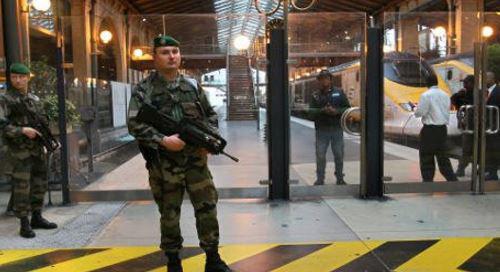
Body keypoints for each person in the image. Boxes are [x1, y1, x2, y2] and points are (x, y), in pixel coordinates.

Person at [127, 36, 232, 272]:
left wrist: (209, 140)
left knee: (207, 208)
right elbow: (134, 124)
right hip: (164, 165)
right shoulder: (143, 89)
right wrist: (163, 140)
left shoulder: (193, 86)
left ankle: (213, 259)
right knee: (169, 213)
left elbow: (210, 116)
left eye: (175, 51)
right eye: (165, 52)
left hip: (196, 161)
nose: (172, 56)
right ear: (154, 57)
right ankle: (173, 262)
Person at [0, 63, 58, 238]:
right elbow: (2, 126)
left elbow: (42, 123)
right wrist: (22, 131)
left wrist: (50, 141)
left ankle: (37, 217)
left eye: (21, 77)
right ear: (11, 78)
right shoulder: (5, 100)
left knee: (40, 183)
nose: (18, 80)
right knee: (22, 187)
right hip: (19, 151)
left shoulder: (34, 99)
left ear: (27, 78)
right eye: (15, 77)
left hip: (37, 149)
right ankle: (24, 223)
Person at [309, 69, 350, 185]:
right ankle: (320, 178)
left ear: (330, 80)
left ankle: (340, 178)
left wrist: (336, 111)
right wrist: (322, 111)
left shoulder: (339, 92)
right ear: (319, 81)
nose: (324, 81)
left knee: (339, 154)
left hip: (337, 130)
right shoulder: (315, 96)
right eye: (322, 79)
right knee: (320, 155)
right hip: (321, 131)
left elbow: (347, 109)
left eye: (326, 78)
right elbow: (310, 112)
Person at [414, 73, 458, 182]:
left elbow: (420, 112)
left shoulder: (426, 95)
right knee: (443, 156)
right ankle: (452, 179)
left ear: (426, 83)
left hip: (430, 130)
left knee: (426, 156)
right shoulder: (445, 95)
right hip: (442, 129)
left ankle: (428, 181)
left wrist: (415, 109)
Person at [451, 75, 475, 177]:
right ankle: (461, 168)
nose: (464, 85)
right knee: (466, 148)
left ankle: (461, 169)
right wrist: (458, 94)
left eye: (466, 83)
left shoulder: (477, 93)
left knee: (467, 148)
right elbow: (453, 101)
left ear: (472, 83)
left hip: (473, 125)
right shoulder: (464, 93)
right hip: (466, 126)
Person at [486, 71, 500, 180]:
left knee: (494, 149)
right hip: (488, 126)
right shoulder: (486, 92)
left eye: (486, 78)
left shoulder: (498, 91)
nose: (484, 80)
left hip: (495, 126)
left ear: (492, 79)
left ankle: (493, 173)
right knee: (489, 149)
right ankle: (489, 170)